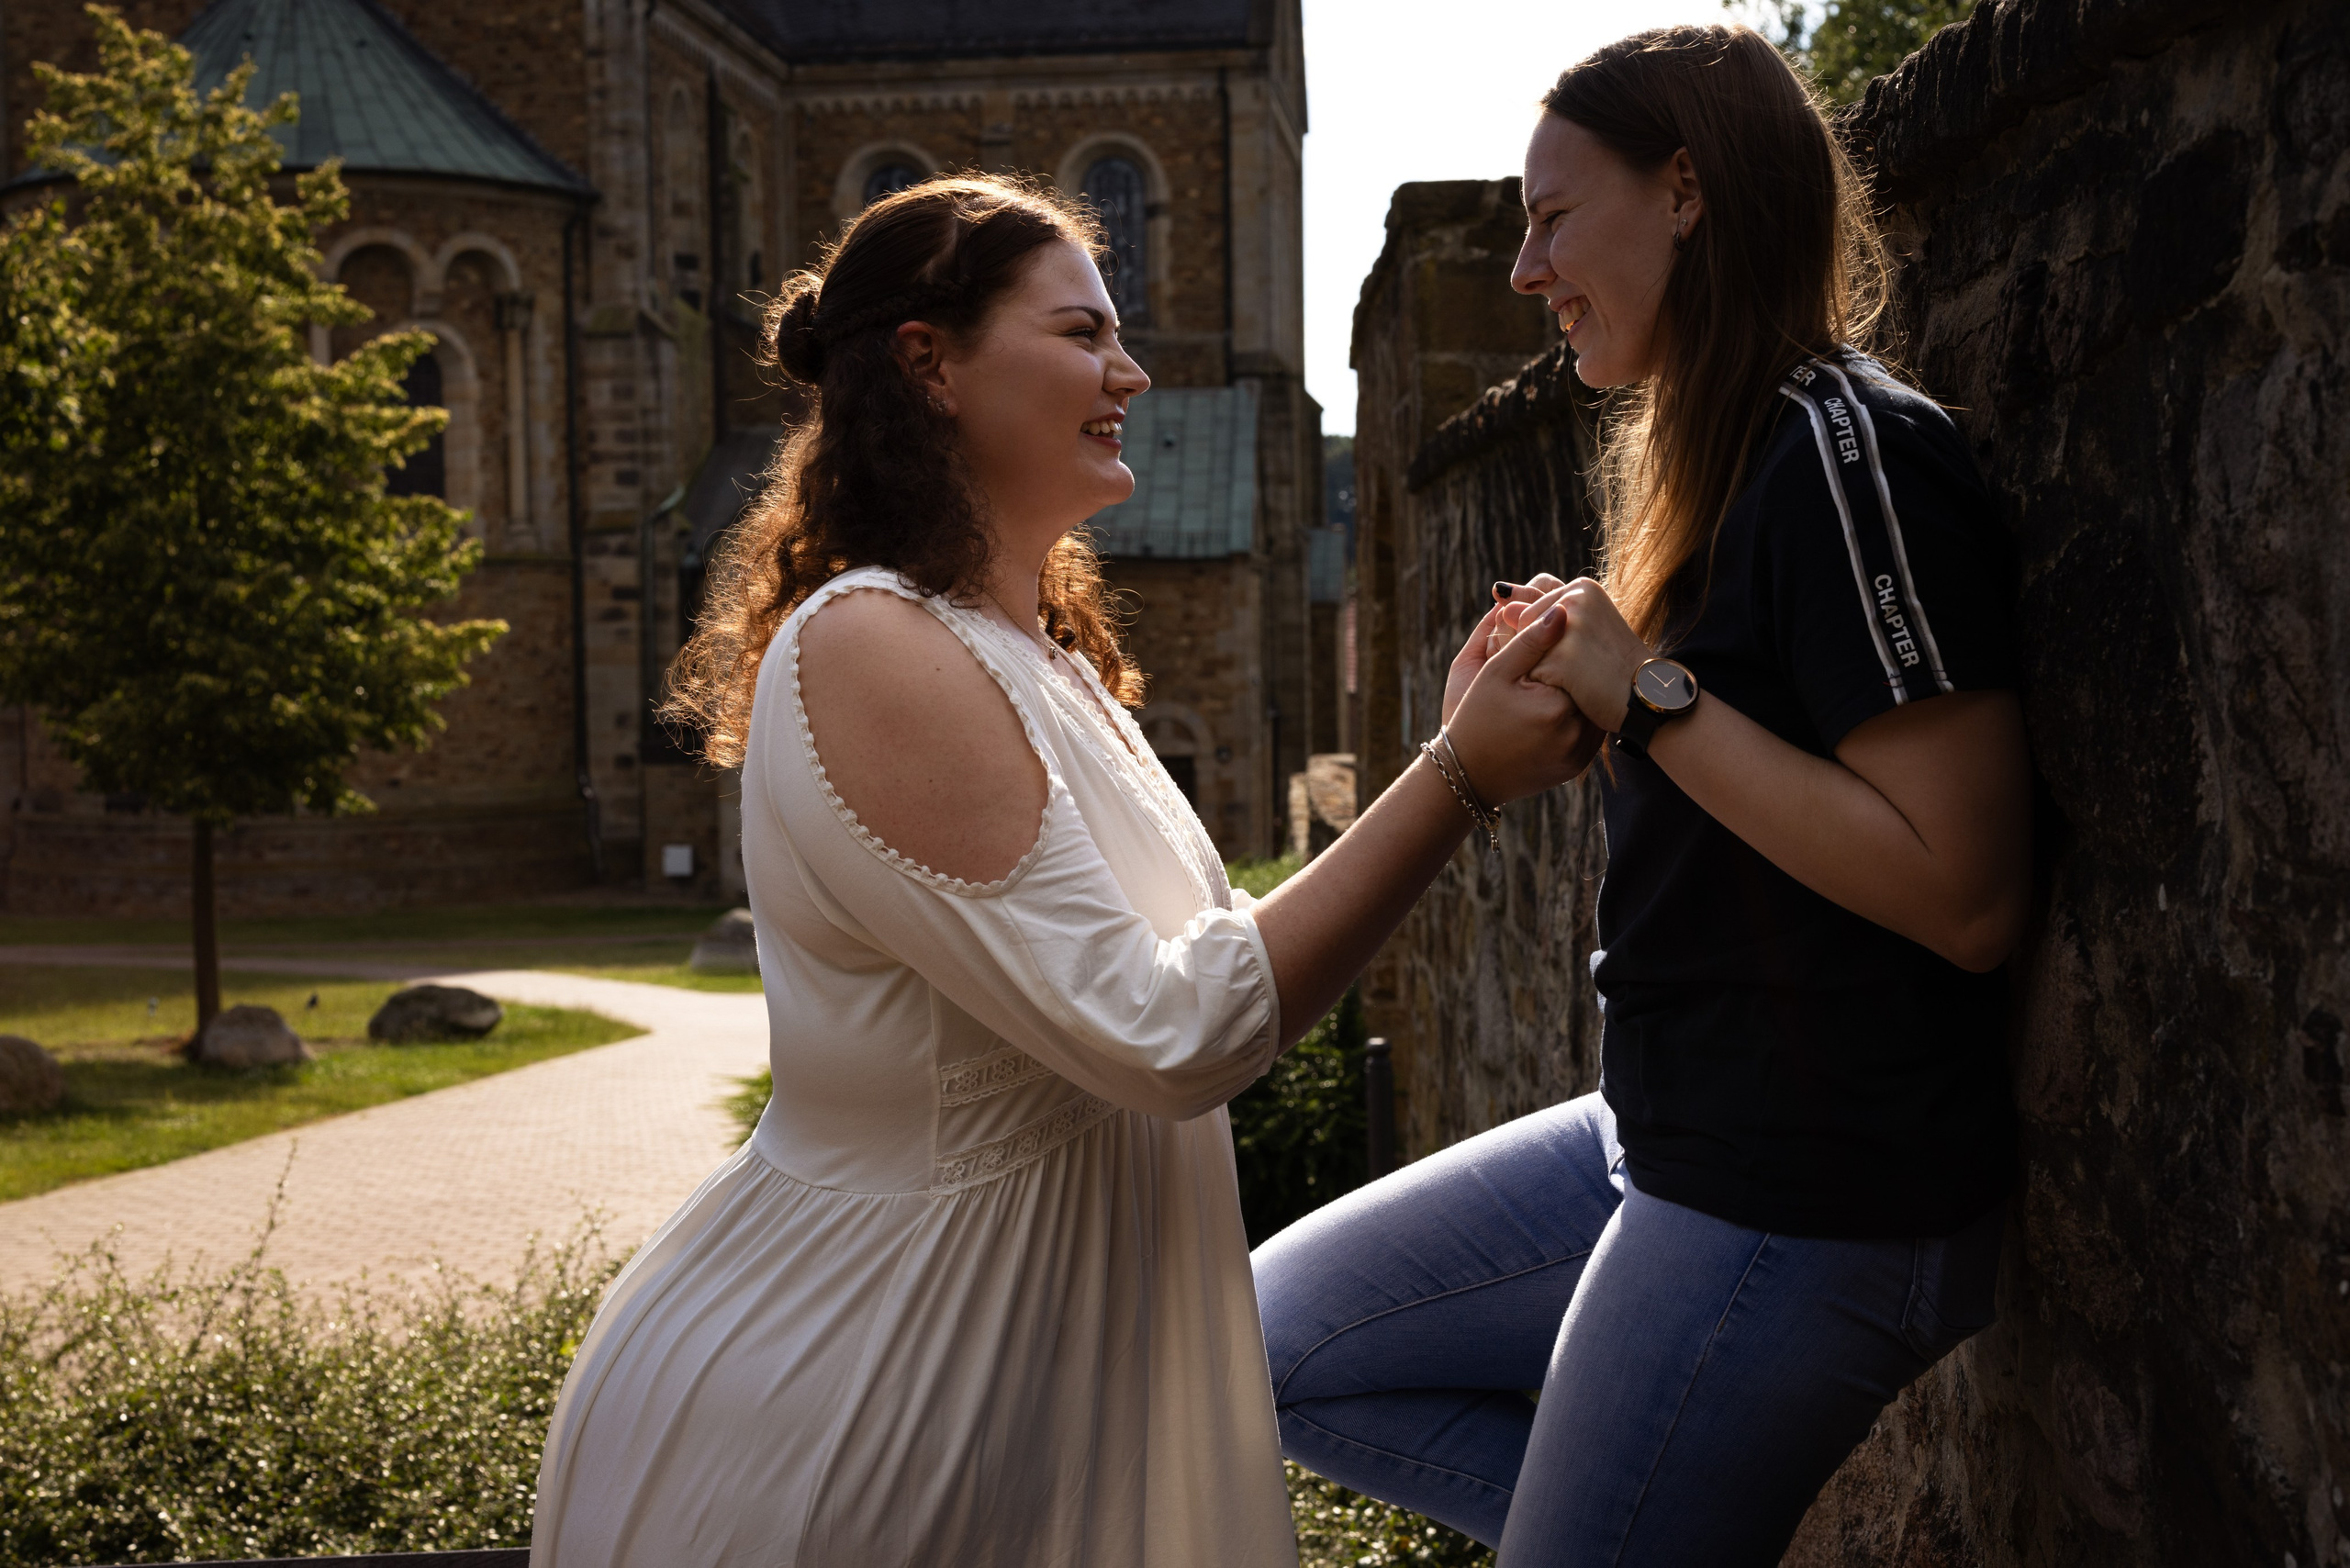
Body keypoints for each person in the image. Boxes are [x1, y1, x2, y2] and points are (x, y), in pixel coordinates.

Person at [527, 174, 1592, 1568]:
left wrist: (1446, 739)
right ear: (932, 364)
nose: (1131, 371)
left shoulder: (1033, 656)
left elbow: (1200, 965)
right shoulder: (872, 644)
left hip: (1017, 1412)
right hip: (863, 1417)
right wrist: (1459, 777)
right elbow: (1172, 1033)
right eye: (1084, 333)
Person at [1252, 25, 2033, 1567]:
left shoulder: (1853, 451)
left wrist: (1651, 698)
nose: (1528, 268)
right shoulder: (1712, 457)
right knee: (1266, 1337)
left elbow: (1967, 893)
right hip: (1659, 1136)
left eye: (1553, 216)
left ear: (1686, 191)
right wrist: (1582, 691)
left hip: (1806, 1195)